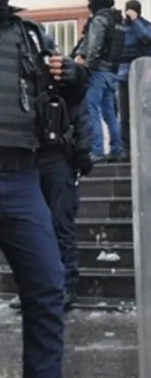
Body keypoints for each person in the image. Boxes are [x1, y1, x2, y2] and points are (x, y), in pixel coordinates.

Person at [0, 0, 88, 378]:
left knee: (47, 287)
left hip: (22, 178)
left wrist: (73, 78)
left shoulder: (32, 36)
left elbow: (65, 94)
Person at [9, 36, 93, 313]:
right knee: (31, 230)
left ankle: (66, 285)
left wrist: (82, 153)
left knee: (60, 223)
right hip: (30, 156)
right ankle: (37, 288)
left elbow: (80, 111)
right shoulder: (21, 76)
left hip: (58, 156)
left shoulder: (62, 75)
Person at [79, 0, 124, 163]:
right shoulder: (116, 20)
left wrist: (87, 67)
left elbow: (95, 47)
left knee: (91, 109)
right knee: (110, 112)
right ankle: (116, 149)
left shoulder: (99, 20)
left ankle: (97, 150)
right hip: (112, 71)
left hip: (98, 71)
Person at [117, 0, 151, 156]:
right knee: (124, 114)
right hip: (123, 76)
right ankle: (126, 148)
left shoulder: (145, 26)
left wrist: (136, 21)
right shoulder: (122, 28)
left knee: (144, 112)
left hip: (143, 75)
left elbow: (148, 37)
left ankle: (145, 144)